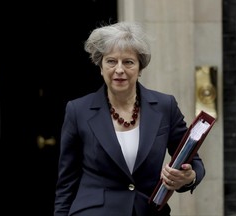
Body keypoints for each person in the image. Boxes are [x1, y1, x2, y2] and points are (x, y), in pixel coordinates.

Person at [53, 21, 205, 216]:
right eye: (111, 61)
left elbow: (194, 161)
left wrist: (189, 177)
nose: (119, 69)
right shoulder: (78, 110)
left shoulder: (165, 106)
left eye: (128, 62)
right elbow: (67, 182)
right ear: (100, 66)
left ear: (140, 68)